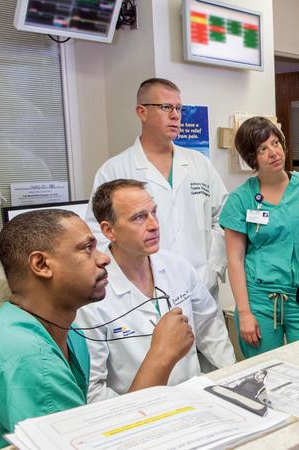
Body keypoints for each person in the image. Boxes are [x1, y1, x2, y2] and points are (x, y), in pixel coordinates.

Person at [0, 210, 194, 449]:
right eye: (87, 248)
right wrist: (161, 356)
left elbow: (82, 428)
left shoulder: (64, 331)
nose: (104, 257)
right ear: (41, 264)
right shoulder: (30, 357)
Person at [85, 78, 235, 369]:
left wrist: (212, 267)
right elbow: (96, 234)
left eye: (179, 108)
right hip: (138, 293)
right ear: (142, 112)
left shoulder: (198, 164)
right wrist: (125, 282)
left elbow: (223, 218)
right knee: (152, 370)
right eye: (166, 107)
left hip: (199, 284)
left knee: (203, 366)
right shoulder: (116, 169)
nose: (176, 115)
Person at [77, 179, 233, 402]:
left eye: (154, 212)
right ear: (109, 230)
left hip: (194, 401)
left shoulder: (177, 267)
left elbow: (210, 328)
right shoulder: (92, 296)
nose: (154, 225)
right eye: (139, 217)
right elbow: (94, 391)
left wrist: (232, 377)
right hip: (138, 416)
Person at [219, 117, 299, 357]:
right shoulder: (240, 199)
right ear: (251, 158)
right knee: (263, 374)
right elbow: (235, 260)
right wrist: (244, 313)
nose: (273, 153)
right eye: (262, 149)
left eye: (276, 143)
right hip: (259, 300)